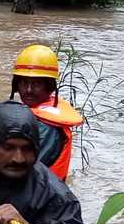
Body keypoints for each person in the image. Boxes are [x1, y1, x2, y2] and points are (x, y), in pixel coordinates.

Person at [10, 44, 83, 182]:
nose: (29, 90)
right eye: (24, 83)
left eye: (36, 84)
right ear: (16, 85)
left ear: (49, 87)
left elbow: (21, 172)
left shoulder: (47, 129)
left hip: (40, 197)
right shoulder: (35, 114)